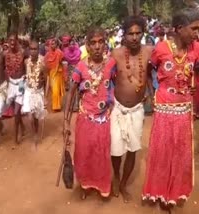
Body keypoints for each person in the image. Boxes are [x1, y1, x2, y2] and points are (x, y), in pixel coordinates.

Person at [142, 9, 199, 209]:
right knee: (163, 151)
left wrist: (194, 84)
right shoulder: (161, 48)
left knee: (181, 152)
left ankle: (175, 192)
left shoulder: (196, 49)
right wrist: (151, 93)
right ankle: (159, 192)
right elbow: (149, 71)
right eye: (193, 29)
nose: (196, 33)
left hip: (184, 108)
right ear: (179, 29)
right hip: (165, 107)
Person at [64, 28, 114, 200]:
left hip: (104, 118)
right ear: (87, 45)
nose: (97, 46)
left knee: (102, 153)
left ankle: (103, 186)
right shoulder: (80, 66)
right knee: (84, 153)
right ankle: (85, 184)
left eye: (101, 42)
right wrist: (65, 121)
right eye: (93, 43)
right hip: (85, 118)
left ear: (105, 43)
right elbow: (71, 92)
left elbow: (119, 84)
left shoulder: (111, 64)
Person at [110, 16, 153, 203]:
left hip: (137, 110)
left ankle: (123, 184)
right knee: (116, 150)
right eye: (130, 33)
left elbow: (153, 73)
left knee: (132, 150)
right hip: (118, 109)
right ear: (124, 36)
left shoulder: (150, 51)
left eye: (138, 33)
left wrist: (153, 93)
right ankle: (116, 176)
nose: (135, 37)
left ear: (143, 34)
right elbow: (105, 76)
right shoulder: (116, 54)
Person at [22, 40, 48, 144]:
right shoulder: (25, 62)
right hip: (29, 91)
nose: (33, 51)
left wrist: (45, 96)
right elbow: (26, 76)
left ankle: (36, 132)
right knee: (30, 116)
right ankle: (34, 134)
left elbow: (47, 79)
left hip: (39, 92)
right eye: (31, 49)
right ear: (28, 50)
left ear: (38, 50)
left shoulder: (42, 64)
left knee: (36, 116)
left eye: (35, 49)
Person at [4, 32, 26, 144]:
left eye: (14, 40)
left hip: (21, 84)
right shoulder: (5, 54)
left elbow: (27, 65)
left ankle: (16, 136)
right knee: (14, 110)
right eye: (10, 40)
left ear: (17, 41)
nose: (12, 42)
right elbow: (5, 69)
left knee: (17, 110)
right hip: (11, 84)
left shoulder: (22, 53)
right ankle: (22, 126)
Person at [45, 38, 65, 111]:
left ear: (56, 45)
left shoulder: (59, 53)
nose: (52, 45)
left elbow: (62, 61)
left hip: (58, 73)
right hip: (51, 73)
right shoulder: (48, 54)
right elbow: (46, 64)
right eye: (51, 44)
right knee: (54, 89)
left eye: (54, 44)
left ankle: (56, 106)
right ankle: (56, 104)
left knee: (57, 90)